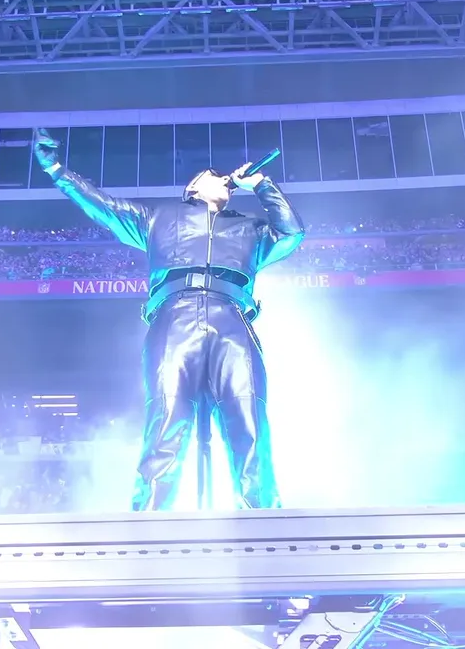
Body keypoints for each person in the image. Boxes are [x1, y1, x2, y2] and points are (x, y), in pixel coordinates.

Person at [34, 129, 305, 511]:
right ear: (192, 188)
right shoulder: (158, 219)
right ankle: (150, 518)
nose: (224, 179)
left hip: (232, 320)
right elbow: (102, 205)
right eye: (213, 174)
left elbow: (292, 232)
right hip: (174, 318)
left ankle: (262, 516)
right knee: (167, 419)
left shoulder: (249, 228)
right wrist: (57, 170)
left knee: (248, 419)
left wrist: (261, 184)